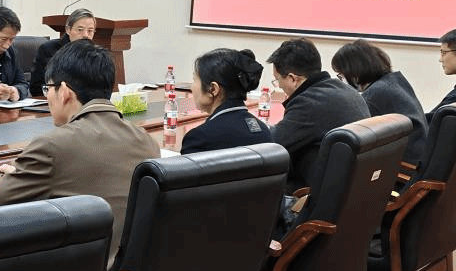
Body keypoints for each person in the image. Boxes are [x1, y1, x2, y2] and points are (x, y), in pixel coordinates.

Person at [0, 40, 158, 264]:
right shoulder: (147, 141)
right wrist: (23, 175)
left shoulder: (52, 146)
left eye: (48, 88)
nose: (47, 96)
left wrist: (11, 182)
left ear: (65, 92)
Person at [266, 38, 370, 193]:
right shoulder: (346, 91)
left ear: (293, 79)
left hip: (317, 193)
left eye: (277, 80)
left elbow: (271, 144)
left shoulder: (308, 103)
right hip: (352, 190)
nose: (279, 85)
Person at [332, 39, 428, 165]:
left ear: (354, 71)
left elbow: (357, 135)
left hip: (406, 165)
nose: (342, 81)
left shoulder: (375, 94)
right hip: (420, 155)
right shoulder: (395, 80)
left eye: (341, 75)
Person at [181, 48, 271, 154]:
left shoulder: (198, 138)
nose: (191, 87)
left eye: (194, 80)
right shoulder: (264, 131)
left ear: (213, 89)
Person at [29, 9, 96, 98]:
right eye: (80, 30)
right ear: (68, 30)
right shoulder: (48, 49)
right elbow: (37, 88)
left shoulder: (96, 55)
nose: (86, 35)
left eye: (90, 31)